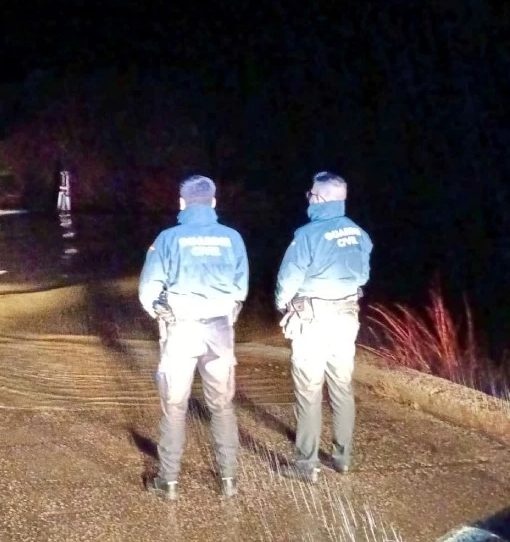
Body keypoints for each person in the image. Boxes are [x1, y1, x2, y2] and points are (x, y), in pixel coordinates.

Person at [138, 175, 249, 501]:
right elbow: (240, 288)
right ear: (214, 203)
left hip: (181, 330)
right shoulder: (233, 238)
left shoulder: (168, 238)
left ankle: (168, 482)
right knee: (222, 405)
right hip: (219, 329)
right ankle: (229, 479)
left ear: (181, 203)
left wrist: (158, 311)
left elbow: (148, 289)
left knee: (174, 406)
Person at [275, 171, 373, 483]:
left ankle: (307, 465)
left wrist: (283, 303)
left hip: (313, 320)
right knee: (342, 388)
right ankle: (343, 457)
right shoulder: (359, 233)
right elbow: (363, 276)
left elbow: (288, 279)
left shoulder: (307, 235)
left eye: (312, 195)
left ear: (323, 199)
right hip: (346, 316)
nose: (309, 200)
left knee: (309, 390)